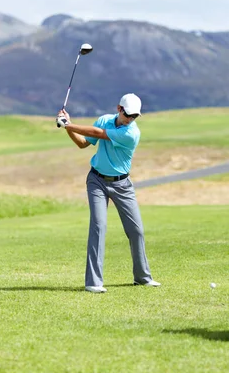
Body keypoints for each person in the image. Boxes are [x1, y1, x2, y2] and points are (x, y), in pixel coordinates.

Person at [56, 93, 160, 293]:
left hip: (122, 185)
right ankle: (93, 282)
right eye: (128, 114)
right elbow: (83, 143)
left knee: (136, 230)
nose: (130, 119)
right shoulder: (105, 119)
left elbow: (98, 133)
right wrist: (67, 129)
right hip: (97, 181)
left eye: (135, 116)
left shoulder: (131, 133)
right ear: (119, 108)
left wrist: (67, 124)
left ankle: (142, 277)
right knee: (99, 226)